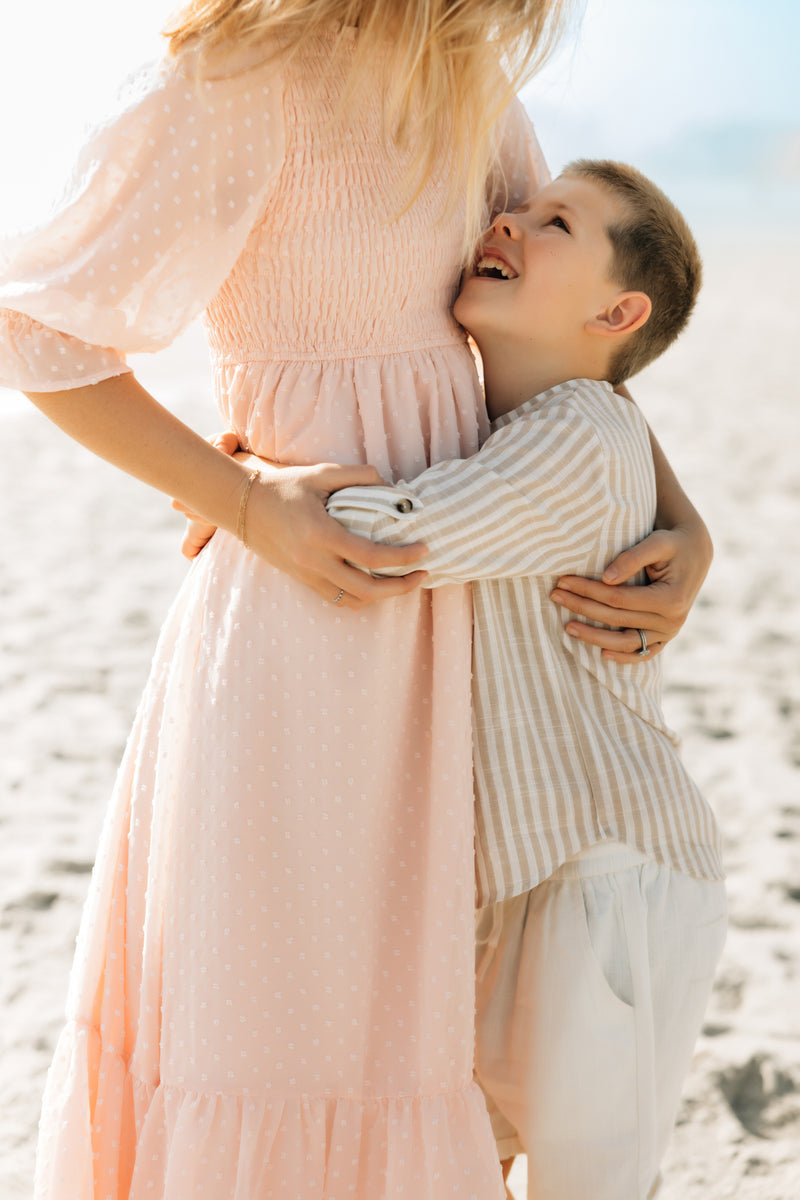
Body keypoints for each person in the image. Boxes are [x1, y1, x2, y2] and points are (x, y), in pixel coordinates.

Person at [0, 0, 712, 1194]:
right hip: (303, 618)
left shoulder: (462, 85)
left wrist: (679, 519)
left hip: (454, 634)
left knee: (399, 1024)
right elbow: (42, 333)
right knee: (278, 1021)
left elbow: (557, 347)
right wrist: (239, 499)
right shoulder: (235, 86)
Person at [324, 160, 727, 1199]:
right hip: (527, 876)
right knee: (469, 1162)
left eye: (553, 222)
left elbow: (390, 541)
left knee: (584, 1184)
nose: (504, 220)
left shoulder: (575, 436)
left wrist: (255, 483)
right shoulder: (540, 430)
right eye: (519, 207)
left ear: (616, 310)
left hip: (606, 873)